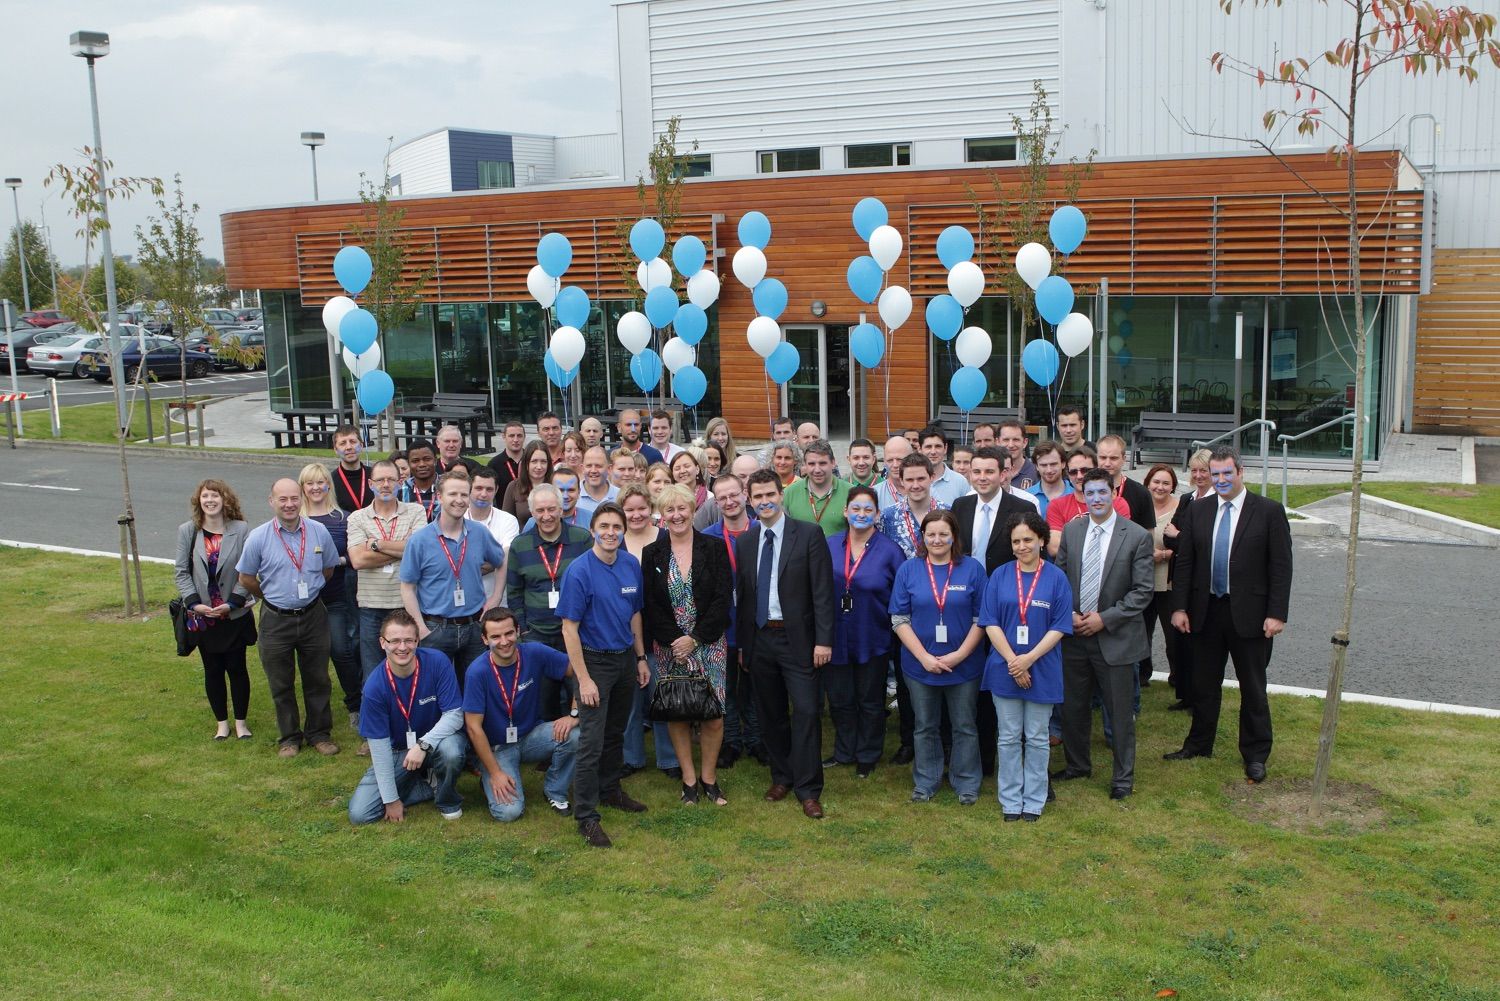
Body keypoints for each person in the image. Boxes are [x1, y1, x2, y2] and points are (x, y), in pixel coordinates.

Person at [1167, 446, 1293, 784]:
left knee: (1253, 688)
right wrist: (1179, 606)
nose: (1221, 480)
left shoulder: (1268, 511)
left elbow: (1281, 567)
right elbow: (1186, 562)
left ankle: (1255, 754)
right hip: (1205, 612)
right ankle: (1198, 744)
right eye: (1215, 474)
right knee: (1203, 685)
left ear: (1241, 472)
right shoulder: (1199, 509)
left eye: (1227, 473)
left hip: (1251, 616)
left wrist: (1276, 613)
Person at [736, 469, 836, 819]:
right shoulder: (746, 541)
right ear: (750, 501)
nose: (764, 502)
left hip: (800, 641)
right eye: (757, 497)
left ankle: (809, 790)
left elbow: (823, 592)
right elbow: (746, 597)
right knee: (770, 714)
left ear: (781, 495)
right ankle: (782, 776)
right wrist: (743, 646)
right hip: (760, 640)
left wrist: (824, 641)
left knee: (807, 712)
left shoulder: (808, 534)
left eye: (770, 495)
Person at [1052, 468, 1155, 800]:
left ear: (1114, 494)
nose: (1096, 498)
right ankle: (1077, 765)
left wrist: (1104, 619)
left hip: (1115, 637)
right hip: (1074, 635)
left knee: (1120, 713)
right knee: (1073, 708)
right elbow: (1060, 577)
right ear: (1083, 494)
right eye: (1090, 492)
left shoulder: (1136, 536)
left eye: (1102, 492)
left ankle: (1122, 777)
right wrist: (1067, 613)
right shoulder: (1072, 530)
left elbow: (1142, 592)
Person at [559, 502, 652, 848]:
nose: (611, 532)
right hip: (594, 662)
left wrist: (641, 657)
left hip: (625, 659)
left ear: (624, 530)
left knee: (617, 731)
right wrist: (583, 679)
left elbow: (635, 615)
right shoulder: (579, 571)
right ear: (593, 529)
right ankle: (586, 815)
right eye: (604, 526)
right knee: (591, 741)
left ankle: (611, 790)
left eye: (617, 526)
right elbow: (569, 629)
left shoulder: (630, 564)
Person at [642, 484, 733, 805]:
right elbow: (651, 604)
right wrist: (674, 641)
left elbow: (723, 599)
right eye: (670, 510)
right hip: (669, 648)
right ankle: (689, 780)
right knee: (677, 712)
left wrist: (694, 638)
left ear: (692, 511)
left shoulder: (714, 547)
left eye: (682, 509)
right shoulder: (651, 553)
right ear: (662, 515)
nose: (676, 515)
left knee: (713, 715)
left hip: (708, 644)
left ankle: (709, 778)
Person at [235, 478, 339, 757]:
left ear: (301, 499)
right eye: (283, 499)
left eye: (294, 498)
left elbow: (328, 569)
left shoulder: (318, 532)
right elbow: (246, 577)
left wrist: (308, 593)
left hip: (313, 615)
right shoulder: (258, 537)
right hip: (275, 618)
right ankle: (289, 738)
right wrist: (271, 595)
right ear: (272, 502)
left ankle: (319, 733)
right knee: (280, 681)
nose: (289, 504)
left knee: (317, 678)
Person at [890, 510, 988, 804]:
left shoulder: (972, 569)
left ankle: (967, 782)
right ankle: (926, 781)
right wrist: (923, 658)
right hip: (920, 666)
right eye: (930, 534)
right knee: (925, 726)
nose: (937, 539)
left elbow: (981, 618)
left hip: (964, 665)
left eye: (943, 534)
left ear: (954, 536)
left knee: (964, 725)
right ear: (923, 537)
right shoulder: (909, 569)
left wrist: (959, 655)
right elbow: (899, 619)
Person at [980, 511, 1073, 821]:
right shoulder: (1000, 575)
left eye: (1028, 540)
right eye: (1016, 541)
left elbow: (1059, 626)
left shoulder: (1056, 578)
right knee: (1007, 737)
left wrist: (1028, 659)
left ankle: (1033, 799)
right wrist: (1013, 662)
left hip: (1042, 668)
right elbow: (990, 621)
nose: (1021, 546)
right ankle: (1010, 800)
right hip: (1004, 667)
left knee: (1036, 737)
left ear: (1042, 540)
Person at [950, 446, 1036, 773]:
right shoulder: (960, 506)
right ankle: (983, 760)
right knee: (976, 687)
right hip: (967, 608)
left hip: (1009, 609)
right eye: (977, 471)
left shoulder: (1022, 507)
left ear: (1005, 473)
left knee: (1009, 681)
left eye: (990, 471)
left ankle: (1018, 757)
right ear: (969, 474)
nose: (983, 478)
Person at [347, 610, 467, 824]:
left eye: (409, 640)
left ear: (417, 640)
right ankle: (425, 784)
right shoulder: (374, 687)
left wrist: (423, 745)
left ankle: (446, 797)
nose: (402, 647)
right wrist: (391, 799)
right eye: (395, 641)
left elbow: (455, 715)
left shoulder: (437, 662)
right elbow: (379, 746)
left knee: (452, 750)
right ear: (382, 643)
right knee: (360, 814)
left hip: (437, 742)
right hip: (398, 752)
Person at [464, 607, 580, 821]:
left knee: (576, 734)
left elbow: (579, 671)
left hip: (530, 736)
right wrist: (496, 773)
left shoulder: (534, 652)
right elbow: (473, 728)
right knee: (509, 813)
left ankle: (556, 790)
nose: (504, 641)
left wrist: (574, 713)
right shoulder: (477, 672)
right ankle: (489, 777)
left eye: (509, 633)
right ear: (484, 639)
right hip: (498, 748)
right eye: (495, 636)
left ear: (518, 631)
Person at [400, 472, 507, 689]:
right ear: (439, 496)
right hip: (436, 628)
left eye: (464, 494)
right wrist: (421, 628)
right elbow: (408, 587)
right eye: (452, 494)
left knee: (477, 688)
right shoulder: (420, 540)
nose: (459, 500)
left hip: (474, 627)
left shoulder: (479, 533)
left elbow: (501, 561)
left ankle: (472, 725)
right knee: (435, 689)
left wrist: (495, 597)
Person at [824, 486, 904, 777]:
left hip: (874, 636)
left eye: (868, 509)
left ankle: (868, 754)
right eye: (855, 509)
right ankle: (844, 751)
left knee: (870, 700)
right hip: (836, 636)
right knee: (841, 698)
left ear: (877, 514)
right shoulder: (830, 545)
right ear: (845, 512)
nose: (861, 514)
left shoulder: (890, 551)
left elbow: (899, 597)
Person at [175, 479, 257, 741]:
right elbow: (181, 572)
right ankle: (222, 723)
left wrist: (233, 601)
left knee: (237, 668)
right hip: (204, 617)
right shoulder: (188, 531)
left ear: (225, 499)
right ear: (199, 501)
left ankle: (241, 723)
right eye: (205, 496)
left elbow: (250, 568)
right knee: (212, 670)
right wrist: (193, 603)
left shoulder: (241, 529)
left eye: (215, 495)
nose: (210, 500)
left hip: (233, 613)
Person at [505, 481, 593, 723]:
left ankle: (580, 753)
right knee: (544, 701)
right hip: (537, 635)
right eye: (540, 511)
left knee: (579, 696)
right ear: (532, 513)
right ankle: (549, 754)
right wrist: (524, 629)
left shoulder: (582, 540)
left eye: (552, 509)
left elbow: (592, 587)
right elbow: (514, 592)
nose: (547, 516)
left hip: (575, 633)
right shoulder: (520, 545)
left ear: (561, 508)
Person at [347, 460, 429, 704]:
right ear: (371, 484)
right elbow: (359, 560)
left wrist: (376, 543)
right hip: (372, 605)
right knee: (373, 669)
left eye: (391, 480)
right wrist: (402, 548)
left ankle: (409, 714)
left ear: (400, 482)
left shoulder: (416, 511)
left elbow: (419, 552)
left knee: (411, 665)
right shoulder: (358, 518)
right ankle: (374, 727)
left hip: (408, 603)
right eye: (380, 480)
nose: (385, 485)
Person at [299, 463, 364, 741]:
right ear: (303, 487)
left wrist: (335, 561)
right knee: (311, 659)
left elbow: (355, 556)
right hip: (305, 601)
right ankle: (315, 715)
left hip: (337, 597)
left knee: (342, 650)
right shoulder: (295, 519)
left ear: (329, 485)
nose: (315, 488)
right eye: (310, 483)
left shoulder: (344, 519)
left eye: (321, 482)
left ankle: (356, 706)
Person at [701, 471, 762, 768]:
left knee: (755, 685)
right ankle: (732, 741)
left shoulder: (764, 531)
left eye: (733, 494)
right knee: (725, 687)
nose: (729, 501)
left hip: (757, 625)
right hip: (723, 626)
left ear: (745, 494)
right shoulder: (708, 538)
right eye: (722, 497)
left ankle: (756, 739)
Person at [616, 483, 678, 776]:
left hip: (662, 631)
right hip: (624, 631)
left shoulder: (666, 539)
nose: (636, 514)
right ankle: (631, 757)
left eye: (642, 508)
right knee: (629, 701)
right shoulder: (614, 542)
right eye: (630, 510)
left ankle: (669, 759)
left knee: (663, 696)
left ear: (651, 509)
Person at [1163, 449, 1215, 709]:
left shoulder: (1218, 502)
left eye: (1203, 470)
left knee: (1200, 644)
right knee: (1180, 641)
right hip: (1181, 579)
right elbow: (1166, 536)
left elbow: (1205, 545)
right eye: (1194, 470)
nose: (1198, 475)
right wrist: (1182, 538)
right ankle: (1185, 695)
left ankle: (1200, 697)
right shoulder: (1187, 499)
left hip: (1204, 584)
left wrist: (1180, 536)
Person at [1046, 446, 1130, 554]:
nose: (1079, 476)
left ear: (1097, 469)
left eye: (1085, 470)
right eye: (1073, 472)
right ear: (1067, 474)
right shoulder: (1057, 505)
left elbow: (1120, 545)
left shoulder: (1118, 503)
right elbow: (1054, 549)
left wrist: (1071, 545)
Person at [1144, 463, 1183, 689]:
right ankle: (1142, 675)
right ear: (1148, 483)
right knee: (1142, 633)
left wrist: (1168, 553)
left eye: (1166, 483)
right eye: (1156, 482)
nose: (1160, 487)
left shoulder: (1182, 508)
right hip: (1143, 580)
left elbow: (1188, 541)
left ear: (1173, 486)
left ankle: (1178, 678)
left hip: (1168, 581)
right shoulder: (1141, 506)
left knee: (1173, 637)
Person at [466, 467, 520, 604]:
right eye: (478, 488)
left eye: (489, 489)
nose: (483, 494)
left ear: (496, 490)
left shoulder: (508, 520)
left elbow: (506, 557)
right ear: (469, 489)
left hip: (498, 602)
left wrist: (468, 562)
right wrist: (493, 559)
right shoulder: (459, 518)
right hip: (464, 601)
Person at [880, 454, 948, 560]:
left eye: (921, 479)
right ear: (902, 481)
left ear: (932, 478)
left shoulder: (948, 512)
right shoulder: (888, 516)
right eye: (910, 480)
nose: (915, 485)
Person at [783, 439, 850, 536]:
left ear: (833, 463)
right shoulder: (788, 493)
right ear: (805, 464)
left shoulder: (851, 492)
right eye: (811, 464)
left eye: (822, 463)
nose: (817, 470)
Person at [1096, 434, 1156, 532]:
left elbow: (1148, 534)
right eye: (1103, 457)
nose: (1107, 463)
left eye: (1113, 458)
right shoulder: (1087, 491)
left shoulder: (1141, 493)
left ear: (1124, 459)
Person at [500, 440, 551, 526]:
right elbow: (506, 522)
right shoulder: (514, 487)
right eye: (534, 461)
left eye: (543, 462)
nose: (539, 467)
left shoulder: (554, 486)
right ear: (526, 463)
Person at [920, 428, 970, 506]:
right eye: (928, 447)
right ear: (920, 449)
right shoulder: (912, 481)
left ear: (945, 448)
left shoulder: (960, 482)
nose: (933, 452)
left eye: (938, 446)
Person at [331, 424, 374, 512]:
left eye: (353, 442)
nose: (349, 447)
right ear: (335, 449)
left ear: (361, 446)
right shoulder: (330, 481)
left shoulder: (375, 476)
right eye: (343, 443)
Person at [397, 438, 441, 522]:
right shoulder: (400, 491)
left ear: (435, 460)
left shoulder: (447, 487)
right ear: (409, 463)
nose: (421, 464)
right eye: (415, 461)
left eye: (427, 459)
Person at [487, 420, 528, 500]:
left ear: (524, 437)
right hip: (503, 510)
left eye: (519, 436)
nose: (516, 440)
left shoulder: (531, 460)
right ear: (504, 437)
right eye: (511, 436)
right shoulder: (494, 464)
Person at [576, 445, 618, 522]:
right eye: (589, 466)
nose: (593, 470)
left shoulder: (620, 495)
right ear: (582, 468)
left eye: (598, 466)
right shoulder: (572, 495)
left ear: (609, 469)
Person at [1026, 442, 1069, 516]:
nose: (1049, 470)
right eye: (1043, 465)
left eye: (1053, 464)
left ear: (1063, 464)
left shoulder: (1076, 494)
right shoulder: (1026, 497)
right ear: (1036, 466)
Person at [874, 435, 912, 509]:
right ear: (884, 461)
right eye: (890, 460)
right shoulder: (874, 494)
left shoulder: (927, 490)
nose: (895, 465)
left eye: (900, 459)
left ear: (912, 458)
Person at [998, 420, 1038, 489]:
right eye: (1006, 440)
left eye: (1016, 440)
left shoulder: (1037, 472)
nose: (1011, 445)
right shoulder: (990, 472)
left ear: (1025, 442)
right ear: (997, 442)